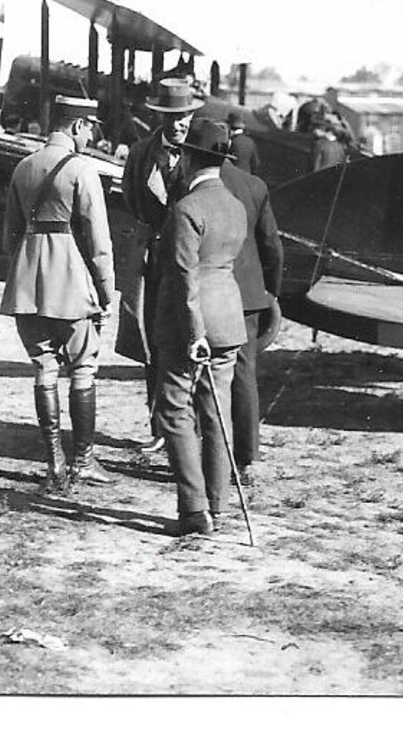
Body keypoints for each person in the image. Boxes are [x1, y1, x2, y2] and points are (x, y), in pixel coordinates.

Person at [1, 95, 117, 493]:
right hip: (70, 283)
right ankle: (83, 462)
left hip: (27, 283)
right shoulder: (82, 171)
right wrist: (106, 292)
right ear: (78, 126)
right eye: (90, 128)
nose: (91, 136)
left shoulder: (23, 166)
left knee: (44, 368)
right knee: (83, 366)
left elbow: (9, 236)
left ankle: (54, 462)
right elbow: (100, 245)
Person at [148, 119, 249, 535]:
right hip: (229, 317)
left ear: (188, 158)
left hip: (190, 323)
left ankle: (193, 512)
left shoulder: (187, 209)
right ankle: (218, 505)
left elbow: (185, 277)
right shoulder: (236, 205)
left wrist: (194, 334)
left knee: (174, 410)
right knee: (216, 412)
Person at [119, 81, 201, 452]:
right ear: (159, 117)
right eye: (171, 117)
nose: (179, 124)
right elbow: (132, 199)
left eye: (184, 116)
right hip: (154, 263)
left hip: (193, 263)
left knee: (192, 340)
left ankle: (191, 427)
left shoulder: (202, 155)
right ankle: (160, 427)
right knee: (153, 342)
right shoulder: (140, 154)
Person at [214, 156, 283, 485]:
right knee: (244, 372)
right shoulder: (255, 185)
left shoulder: (194, 183)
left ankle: (211, 457)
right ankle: (248, 456)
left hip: (210, 290)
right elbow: (271, 243)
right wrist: (272, 290)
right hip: (249, 294)